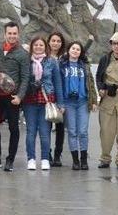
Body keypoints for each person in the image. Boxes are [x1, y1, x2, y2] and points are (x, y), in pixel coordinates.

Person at [0, 22, 30, 172]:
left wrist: (20, 97)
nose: (12, 36)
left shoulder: (23, 54)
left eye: (14, 33)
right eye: (9, 33)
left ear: (18, 34)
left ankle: (10, 159)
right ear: (5, 34)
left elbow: (25, 78)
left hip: (12, 97)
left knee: (13, 128)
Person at [23, 36, 63, 170]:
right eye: (36, 45)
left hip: (46, 99)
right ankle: (31, 159)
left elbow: (57, 83)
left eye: (41, 45)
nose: (38, 47)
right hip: (29, 99)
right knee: (31, 131)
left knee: (45, 132)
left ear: (45, 47)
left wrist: (60, 103)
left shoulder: (52, 61)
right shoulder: (27, 61)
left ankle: (45, 158)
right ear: (32, 47)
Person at [95, 32, 118, 171]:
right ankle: (105, 159)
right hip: (107, 98)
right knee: (106, 131)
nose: (117, 47)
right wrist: (100, 88)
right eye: (114, 44)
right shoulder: (104, 59)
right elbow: (98, 77)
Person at [60, 41, 96, 170]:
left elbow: (91, 83)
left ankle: (84, 159)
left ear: (81, 52)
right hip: (68, 102)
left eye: (78, 49)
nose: (75, 51)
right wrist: (60, 103)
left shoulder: (84, 66)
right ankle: (75, 160)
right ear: (68, 50)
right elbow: (58, 84)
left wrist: (93, 101)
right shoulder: (62, 65)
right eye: (73, 48)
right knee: (72, 132)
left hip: (83, 101)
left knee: (83, 131)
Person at [47, 32, 67, 167]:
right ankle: (47, 153)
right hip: (48, 95)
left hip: (62, 95)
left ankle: (57, 154)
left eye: (58, 41)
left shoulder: (65, 58)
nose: (55, 43)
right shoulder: (44, 57)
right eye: (53, 40)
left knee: (60, 126)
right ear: (48, 42)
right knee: (47, 126)